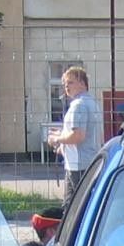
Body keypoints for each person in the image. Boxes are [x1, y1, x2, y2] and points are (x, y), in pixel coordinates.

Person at [46, 66, 103, 206]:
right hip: (88, 160)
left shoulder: (78, 105)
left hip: (78, 165)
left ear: (83, 83)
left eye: (70, 82)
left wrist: (57, 139)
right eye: (65, 84)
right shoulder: (92, 103)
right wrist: (62, 136)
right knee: (76, 205)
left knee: (76, 206)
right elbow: (86, 134)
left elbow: (78, 136)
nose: (67, 87)